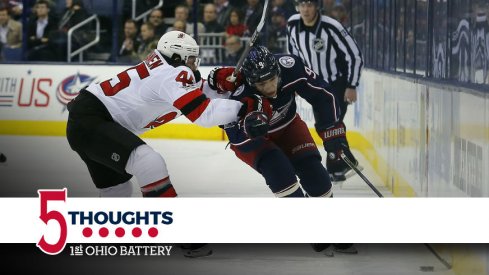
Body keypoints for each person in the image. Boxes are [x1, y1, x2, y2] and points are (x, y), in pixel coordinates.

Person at [66, 31, 265, 200]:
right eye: (192, 59)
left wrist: (215, 80)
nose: (195, 64)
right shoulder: (171, 75)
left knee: (117, 189)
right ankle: (177, 232)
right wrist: (242, 109)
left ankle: (109, 241)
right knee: (148, 162)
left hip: (87, 120)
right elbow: (204, 114)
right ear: (178, 57)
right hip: (92, 121)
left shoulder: (164, 69)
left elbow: (191, 90)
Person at [208, 45, 358, 255]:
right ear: (251, 82)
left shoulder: (290, 67)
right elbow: (232, 134)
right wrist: (248, 127)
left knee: (318, 179)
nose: (269, 87)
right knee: (283, 179)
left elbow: (323, 95)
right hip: (256, 141)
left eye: (272, 79)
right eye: (262, 83)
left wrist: (332, 131)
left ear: (278, 71)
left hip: (289, 126)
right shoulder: (236, 94)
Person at [287, 0, 363, 182]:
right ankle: (345, 164)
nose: (305, 9)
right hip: (314, 84)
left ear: (317, 7)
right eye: (302, 5)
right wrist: (296, 81)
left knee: (330, 124)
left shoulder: (332, 26)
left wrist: (351, 85)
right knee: (325, 125)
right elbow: (293, 55)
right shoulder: (292, 24)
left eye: (310, 5)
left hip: (336, 83)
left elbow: (355, 55)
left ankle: (337, 167)